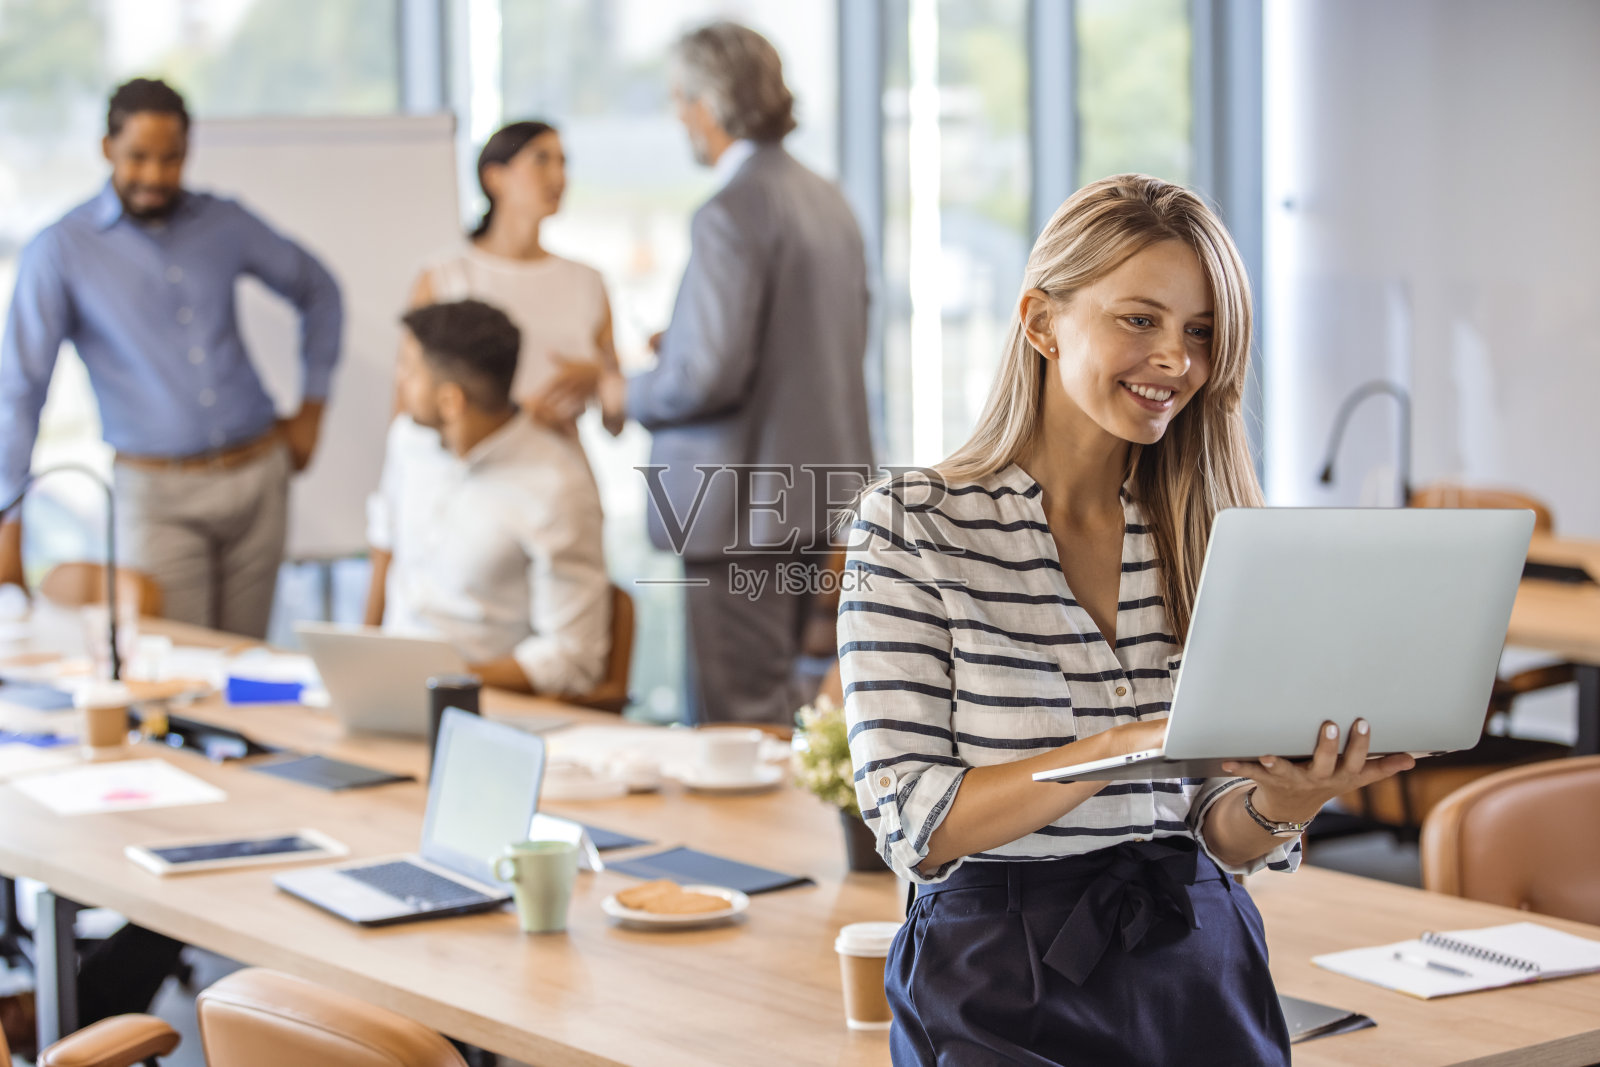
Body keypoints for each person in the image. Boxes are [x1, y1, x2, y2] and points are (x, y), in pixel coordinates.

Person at [839, 175, 1417, 1065]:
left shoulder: (1211, 530)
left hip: (1204, 959)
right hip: (1000, 978)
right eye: (1139, 319)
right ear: (1041, 321)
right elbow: (913, 816)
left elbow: (1216, 827)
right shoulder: (916, 522)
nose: (1176, 360)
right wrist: (1133, 742)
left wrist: (1290, 799)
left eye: (1199, 333)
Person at [545, 21, 873, 725]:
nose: (678, 115)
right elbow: (823, 341)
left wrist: (620, 388)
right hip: (819, 496)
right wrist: (686, 339)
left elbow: (709, 376)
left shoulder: (731, 208)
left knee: (739, 720)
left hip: (739, 512)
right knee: (801, 714)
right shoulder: (828, 199)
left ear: (712, 102)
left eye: (680, 98)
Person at [0, 78, 342, 639]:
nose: (155, 176)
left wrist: (313, 408)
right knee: (176, 680)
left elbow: (319, 290)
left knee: (246, 667)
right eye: (138, 157)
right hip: (157, 494)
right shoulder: (62, 250)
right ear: (106, 148)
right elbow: (20, 393)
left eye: (171, 158)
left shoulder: (223, 223)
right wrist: (7, 525)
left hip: (258, 477)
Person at [364, 299, 610, 697]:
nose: (399, 379)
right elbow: (385, 542)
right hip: (382, 694)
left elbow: (572, 660)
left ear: (451, 401)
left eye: (409, 368)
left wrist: (444, 680)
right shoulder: (408, 441)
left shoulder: (556, 487)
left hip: (480, 707)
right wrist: (360, 662)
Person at [409, 120, 622, 439]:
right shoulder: (444, 277)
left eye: (564, 162)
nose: (559, 177)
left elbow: (615, 423)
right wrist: (515, 414)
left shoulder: (589, 281)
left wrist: (601, 379)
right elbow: (412, 406)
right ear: (494, 178)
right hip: (475, 475)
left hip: (564, 476)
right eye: (541, 160)